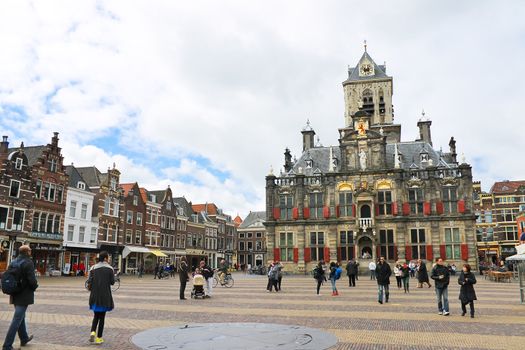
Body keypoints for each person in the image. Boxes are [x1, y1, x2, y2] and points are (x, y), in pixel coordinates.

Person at [2, 245, 38, 350]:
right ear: (27, 252)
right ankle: (7, 345)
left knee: (20, 316)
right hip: (24, 294)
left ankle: (24, 338)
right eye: (30, 250)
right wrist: (35, 286)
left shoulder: (13, 262)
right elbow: (32, 280)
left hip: (14, 293)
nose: (31, 251)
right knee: (17, 319)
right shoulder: (28, 262)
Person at [87, 251, 115, 345]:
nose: (109, 259)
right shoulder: (110, 269)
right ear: (106, 258)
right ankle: (99, 338)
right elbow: (112, 282)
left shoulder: (93, 268)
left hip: (94, 296)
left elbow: (88, 281)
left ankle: (92, 332)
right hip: (104, 296)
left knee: (96, 316)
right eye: (109, 257)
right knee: (102, 318)